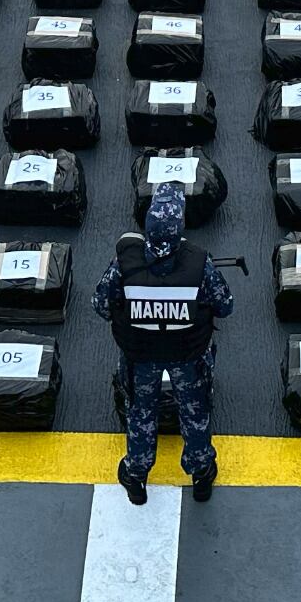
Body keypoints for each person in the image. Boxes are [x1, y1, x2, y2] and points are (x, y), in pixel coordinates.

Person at [93, 180, 233, 504]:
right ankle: (200, 475)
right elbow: (225, 305)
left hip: (141, 357)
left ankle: (137, 477)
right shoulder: (199, 262)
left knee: (141, 413)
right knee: (194, 413)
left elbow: (100, 304)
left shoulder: (125, 263)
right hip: (188, 356)